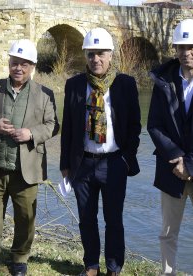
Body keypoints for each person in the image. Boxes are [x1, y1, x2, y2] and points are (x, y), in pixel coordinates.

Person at [0, 39, 59, 276]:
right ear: (9, 63)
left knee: (25, 217)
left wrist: (31, 133)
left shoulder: (45, 94)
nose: (18, 68)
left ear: (32, 66)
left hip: (27, 167)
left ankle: (20, 258)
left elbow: (53, 125)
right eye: (14, 63)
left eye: (23, 64)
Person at [59, 28, 141, 276]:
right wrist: (65, 164)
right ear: (86, 55)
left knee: (113, 220)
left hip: (115, 162)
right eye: (91, 54)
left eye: (101, 53)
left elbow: (136, 125)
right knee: (86, 218)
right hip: (83, 163)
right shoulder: (74, 85)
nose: (96, 59)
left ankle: (114, 267)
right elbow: (68, 128)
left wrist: (127, 158)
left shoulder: (125, 84)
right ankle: (91, 265)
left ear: (111, 55)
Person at [147, 19, 193, 275]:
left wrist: (190, 163)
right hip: (171, 167)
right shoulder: (163, 81)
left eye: (191, 46)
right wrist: (176, 157)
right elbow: (153, 125)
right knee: (167, 231)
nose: (186, 52)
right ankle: (168, 273)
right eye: (181, 46)